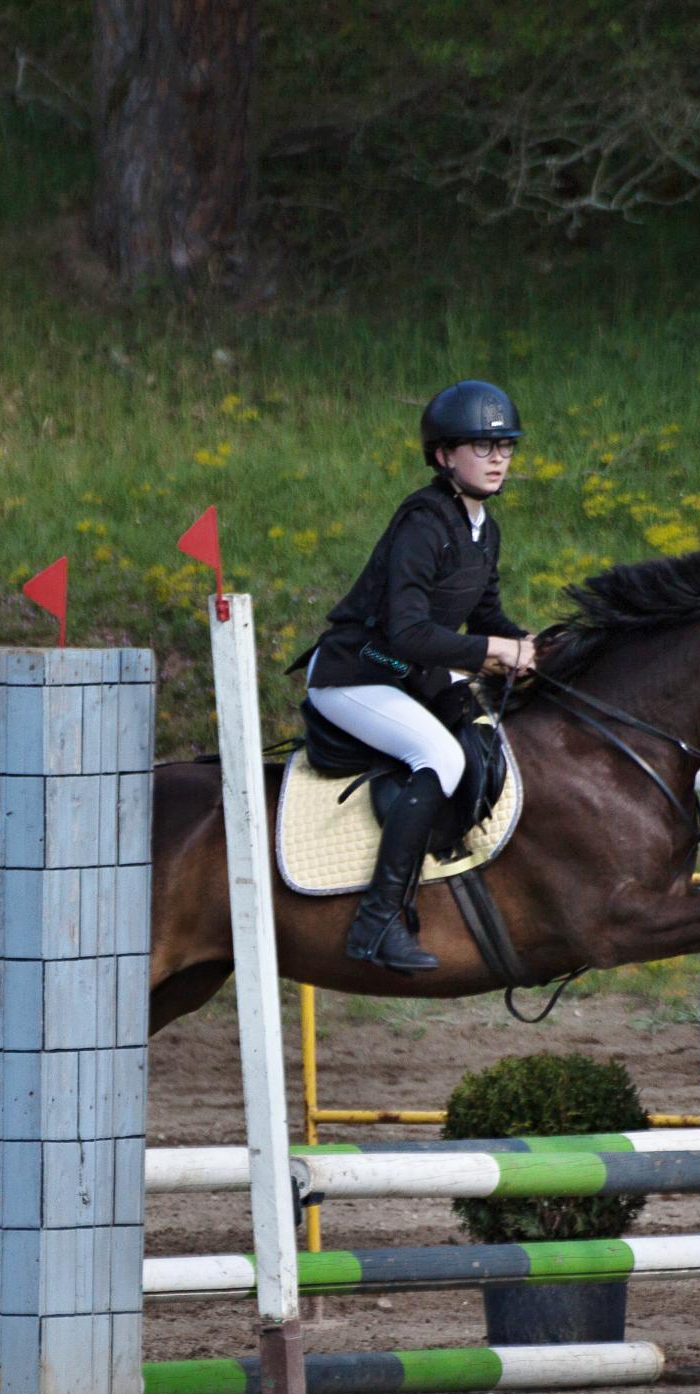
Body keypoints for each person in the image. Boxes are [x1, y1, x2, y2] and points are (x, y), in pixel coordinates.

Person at [300, 380, 540, 973]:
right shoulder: (423, 522)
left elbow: (486, 617)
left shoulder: (483, 528)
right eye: (482, 447)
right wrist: (495, 649)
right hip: (358, 671)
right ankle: (376, 923)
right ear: (443, 455)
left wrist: (533, 645)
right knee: (441, 756)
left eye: (505, 447)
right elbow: (407, 633)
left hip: (407, 674)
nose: (498, 459)